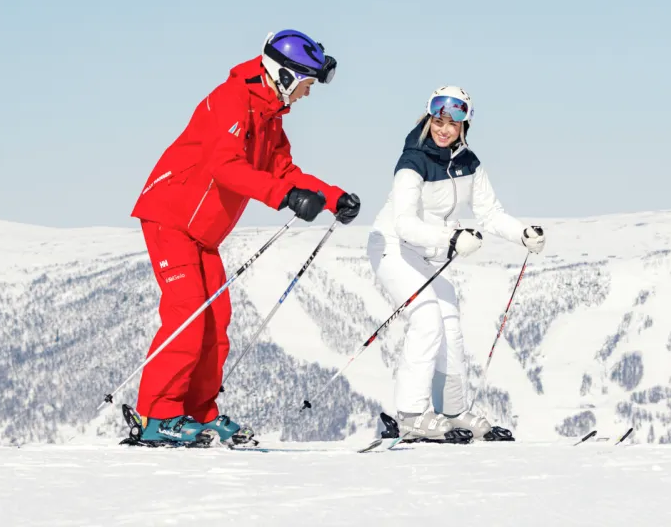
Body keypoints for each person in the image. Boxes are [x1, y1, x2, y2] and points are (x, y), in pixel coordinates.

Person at [130, 29, 361, 446]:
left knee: (216, 323)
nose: (307, 94)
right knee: (187, 315)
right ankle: (157, 416)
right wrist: (285, 197)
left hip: (203, 234)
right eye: (306, 85)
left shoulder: (270, 117)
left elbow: (285, 171)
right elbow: (226, 167)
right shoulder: (231, 99)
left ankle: (197, 413)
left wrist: (332, 197)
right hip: (171, 217)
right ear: (286, 75)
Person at [367, 86, 545, 442]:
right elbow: (404, 222)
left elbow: (490, 213)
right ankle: (412, 415)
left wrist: (521, 232)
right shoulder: (413, 161)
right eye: (438, 120)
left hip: (429, 253)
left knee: (450, 323)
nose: (443, 128)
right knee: (427, 317)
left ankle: (453, 412)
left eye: (453, 122)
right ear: (429, 118)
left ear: (466, 124)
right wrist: (449, 239)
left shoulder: (468, 163)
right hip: (393, 247)